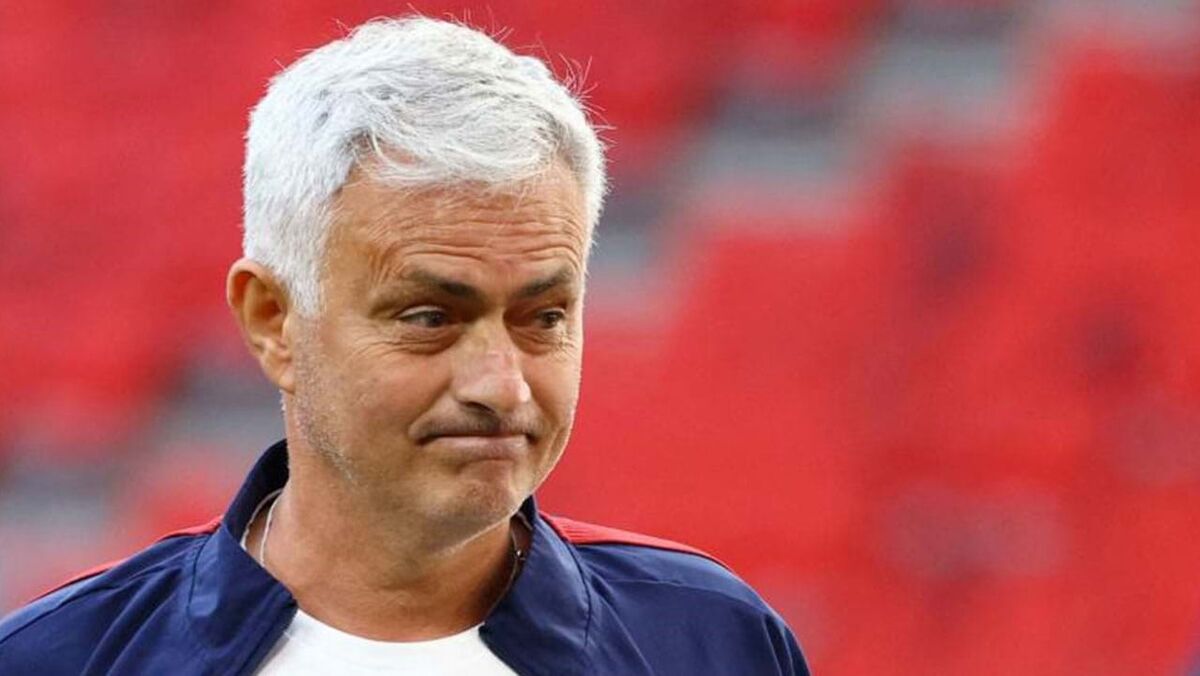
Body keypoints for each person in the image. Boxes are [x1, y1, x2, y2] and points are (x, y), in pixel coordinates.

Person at [0, 16, 809, 675]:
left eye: (544, 317)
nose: (501, 385)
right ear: (273, 320)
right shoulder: (61, 659)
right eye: (430, 318)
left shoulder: (712, 641)